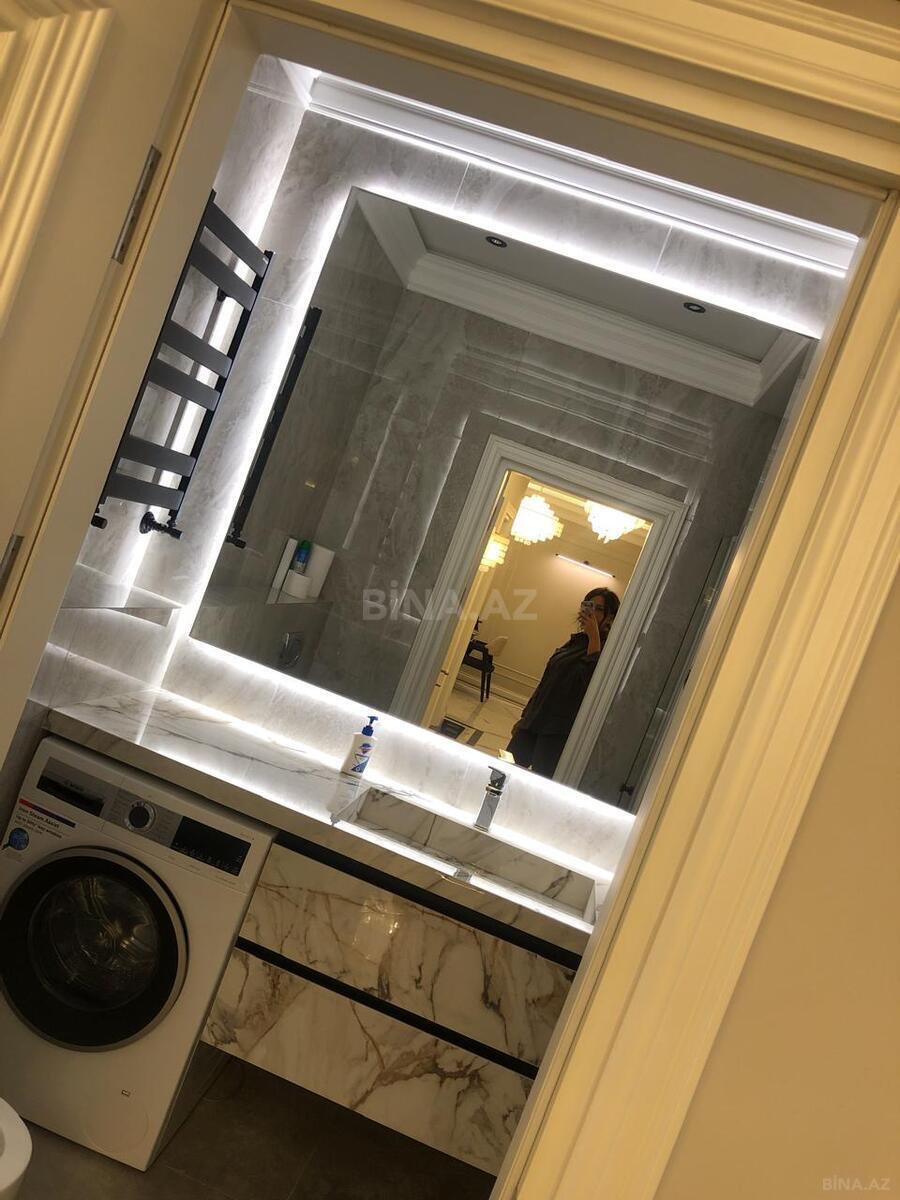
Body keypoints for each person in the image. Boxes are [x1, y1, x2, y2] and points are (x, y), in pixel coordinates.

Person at [506, 587, 620, 778]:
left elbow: (590, 686)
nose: (591, 612)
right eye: (588, 605)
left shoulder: (608, 651)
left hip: (557, 732)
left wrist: (594, 638)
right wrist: (525, 717)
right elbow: (546, 683)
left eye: (599, 609)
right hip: (534, 721)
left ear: (610, 617)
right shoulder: (575, 642)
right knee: (505, 771)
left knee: (541, 783)